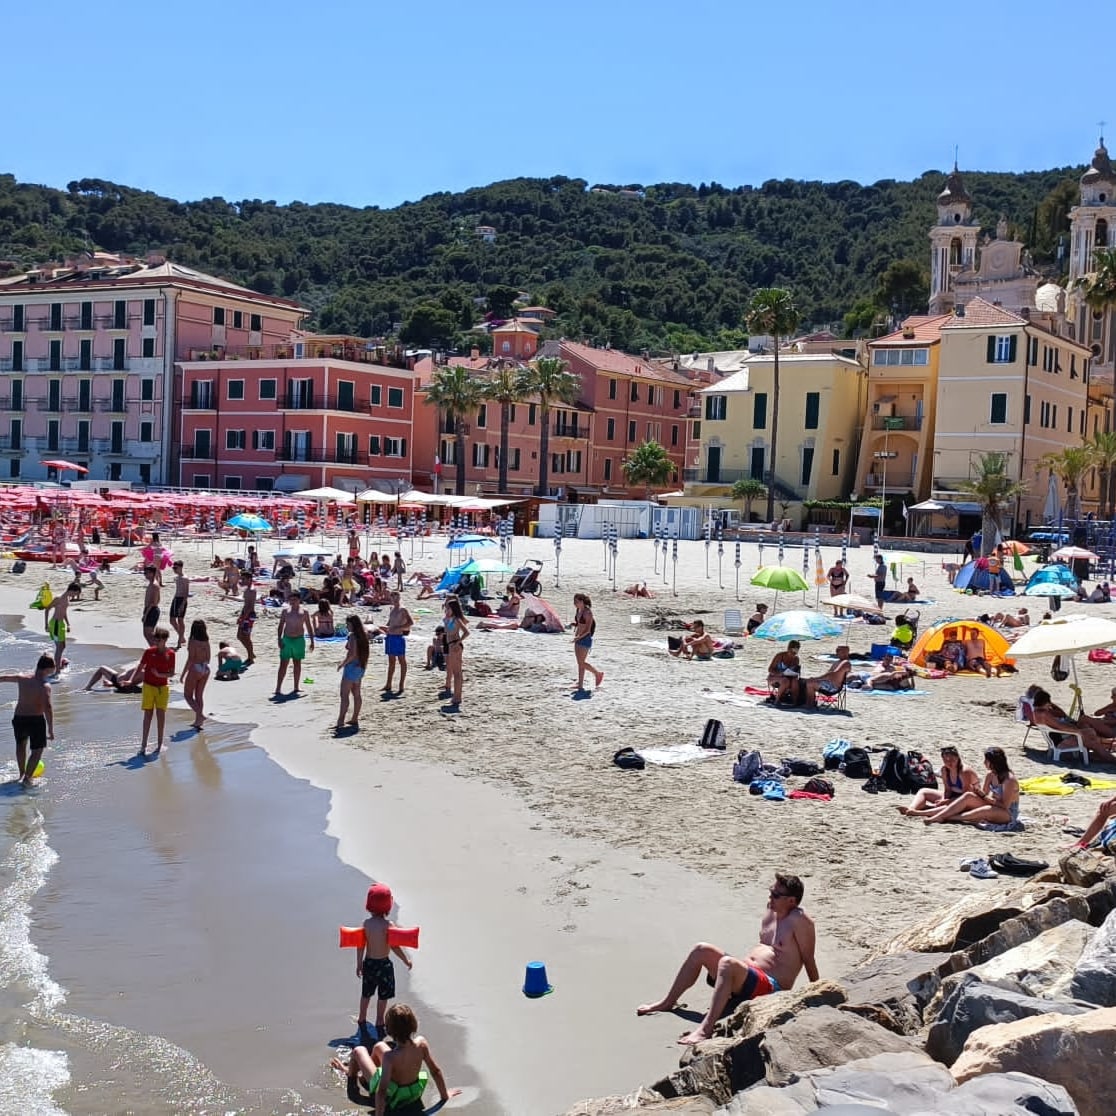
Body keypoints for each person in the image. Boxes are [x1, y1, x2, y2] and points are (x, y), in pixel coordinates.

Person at [636, 873, 819, 1045]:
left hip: (771, 987)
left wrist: (818, 996)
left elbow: (809, 960)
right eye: (770, 891)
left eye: (775, 895)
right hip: (746, 977)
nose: (770, 897)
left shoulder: (800, 921)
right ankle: (667, 1002)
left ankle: (705, 1030)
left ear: (792, 901)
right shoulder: (770, 911)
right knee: (701, 949)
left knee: (727, 963)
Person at [331, 1002, 457, 1114]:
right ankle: (364, 1077)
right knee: (379, 1046)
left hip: (393, 1097)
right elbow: (435, 1071)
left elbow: (382, 1092)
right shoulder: (421, 1044)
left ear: (389, 1030)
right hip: (412, 1094)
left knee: (359, 1051)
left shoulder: (390, 1057)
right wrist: (444, 1095)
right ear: (414, 1024)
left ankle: (350, 1073)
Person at [353, 883, 414, 1044]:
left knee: (366, 993)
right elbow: (394, 946)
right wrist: (405, 959)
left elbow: (360, 945)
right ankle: (380, 1020)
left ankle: (362, 1017)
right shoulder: (388, 926)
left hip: (369, 964)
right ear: (388, 906)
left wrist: (359, 963)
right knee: (383, 995)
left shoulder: (366, 924)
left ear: (369, 905)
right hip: (384, 965)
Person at [921, 746, 1020, 827]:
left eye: (986, 760)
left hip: (1007, 813)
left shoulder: (1009, 780)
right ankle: (941, 816)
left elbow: (1004, 805)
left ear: (994, 763)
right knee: (968, 796)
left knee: (986, 810)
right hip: (993, 805)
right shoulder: (991, 775)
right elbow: (984, 794)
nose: (984, 763)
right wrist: (977, 792)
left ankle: (950, 817)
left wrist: (984, 796)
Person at [2, 655, 55, 787]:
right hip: (35, 720)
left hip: (19, 718)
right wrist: (50, 729)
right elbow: (47, 707)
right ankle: (27, 778)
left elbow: (4, 678)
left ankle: (21, 774)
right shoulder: (45, 686)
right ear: (47, 669)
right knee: (37, 751)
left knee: (20, 746)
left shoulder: (22, 678)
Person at [1028, 686, 1116, 761]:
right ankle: (1112, 760)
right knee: (1093, 742)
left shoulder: (1036, 713)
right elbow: (1061, 728)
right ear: (1045, 702)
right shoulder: (1045, 714)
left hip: (1058, 739)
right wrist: (1078, 731)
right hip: (1062, 742)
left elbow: (1060, 722)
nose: (1049, 705)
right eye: (1048, 703)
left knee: (1090, 734)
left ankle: (1103, 752)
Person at [898, 745, 981, 816]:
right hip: (954, 796)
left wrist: (947, 802)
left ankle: (919, 812)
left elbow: (965, 795)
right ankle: (911, 809)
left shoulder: (964, 772)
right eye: (946, 760)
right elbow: (948, 790)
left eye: (952, 760)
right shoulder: (945, 770)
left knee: (949, 807)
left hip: (969, 799)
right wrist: (944, 799)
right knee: (923, 791)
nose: (949, 763)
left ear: (958, 758)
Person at [138, 628, 175, 755]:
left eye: (159, 640)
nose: (156, 642)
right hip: (148, 686)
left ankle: (160, 744)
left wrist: (159, 675)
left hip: (162, 688)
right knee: (147, 715)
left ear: (164, 640)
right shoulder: (149, 652)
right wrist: (130, 680)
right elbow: (140, 667)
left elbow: (171, 673)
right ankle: (143, 745)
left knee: (161, 716)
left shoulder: (170, 653)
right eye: (155, 639)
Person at [274, 593, 315, 697]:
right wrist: (279, 639)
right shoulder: (285, 612)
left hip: (299, 639)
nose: (293, 602)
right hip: (287, 639)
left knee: (297, 663)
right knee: (283, 663)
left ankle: (296, 686)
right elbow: (281, 626)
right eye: (291, 600)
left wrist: (312, 641)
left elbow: (309, 627)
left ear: (299, 600)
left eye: (295, 599)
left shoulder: (304, 612)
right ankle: (278, 688)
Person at [337, 615, 370, 730]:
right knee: (356, 693)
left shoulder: (353, 636)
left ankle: (340, 720)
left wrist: (342, 664)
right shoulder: (363, 635)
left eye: (348, 624)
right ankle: (355, 718)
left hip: (352, 667)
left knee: (344, 694)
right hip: (360, 666)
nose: (346, 626)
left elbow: (352, 654)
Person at [180, 619, 212, 731]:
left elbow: (191, 659)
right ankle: (198, 721)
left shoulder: (192, 641)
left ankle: (200, 715)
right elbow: (208, 658)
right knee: (199, 696)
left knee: (188, 695)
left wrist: (183, 674)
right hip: (206, 669)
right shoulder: (206, 641)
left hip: (196, 668)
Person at [380, 591, 414, 695]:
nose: (394, 599)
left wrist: (399, 627)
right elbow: (390, 623)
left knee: (401, 660)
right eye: (393, 597)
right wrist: (385, 628)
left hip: (398, 637)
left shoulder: (403, 609)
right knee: (391, 662)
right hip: (390, 636)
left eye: (396, 597)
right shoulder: (392, 609)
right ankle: (388, 684)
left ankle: (401, 684)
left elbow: (410, 622)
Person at [441, 596, 469, 709]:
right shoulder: (448, 619)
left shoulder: (457, 620)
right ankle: (457, 696)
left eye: (448, 609)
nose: (446, 611)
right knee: (454, 671)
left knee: (457, 672)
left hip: (455, 645)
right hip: (451, 644)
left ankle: (457, 696)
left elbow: (466, 632)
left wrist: (458, 642)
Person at [571, 592, 603, 691]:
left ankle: (597, 673)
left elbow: (588, 630)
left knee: (581, 663)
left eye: (576, 602)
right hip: (578, 638)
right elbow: (580, 623)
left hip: (584, 639)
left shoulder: (588, 612)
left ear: (582, 602)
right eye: (574, 601)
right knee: (580, 663)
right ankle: (580, 685)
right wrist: (574, 625)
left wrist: (579, 637)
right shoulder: (578, 611)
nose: (575, 604)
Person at [42, 582, 77, 671]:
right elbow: (47, 609)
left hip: (61, 624)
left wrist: (68, 624)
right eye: (76, 593)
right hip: (55, 624)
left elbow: (63, 612)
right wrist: (46, 624)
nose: (76, 596)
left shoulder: (67, 599)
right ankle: (57, 670)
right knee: (59, 647)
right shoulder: (59, 598)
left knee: (63, 646)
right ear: (72, 591)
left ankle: (57, 664)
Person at [237, 571, 257, 665]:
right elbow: (245, 605)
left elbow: (249, 607)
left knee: (245, 637)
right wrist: (241, 616)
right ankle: (251, 654)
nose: (242, 581)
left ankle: (250, 656)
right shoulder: (247, 589)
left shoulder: (252, 590)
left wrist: (243, 618)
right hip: (245, 614)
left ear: (249, 579)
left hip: (249, 615)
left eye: (243, 579)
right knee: (240, 636)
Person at [169, 560, 190, 649]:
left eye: (175, 568)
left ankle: (179, 641)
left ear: (180, 567)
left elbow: (186, 592)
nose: (174, 569)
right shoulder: (177, 578)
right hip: (176, 599)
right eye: (173, 568)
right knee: (172, 620)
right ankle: (181, 637)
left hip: (181, 600)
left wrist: (182, 604)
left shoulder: (185, 578)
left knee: (180, 620)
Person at [141, 565, 161, 646]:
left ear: (152, 573)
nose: (145, 575)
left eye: (147, 573)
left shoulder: (154, 585)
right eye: (144, 573)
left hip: (152, 610)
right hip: (148, 609)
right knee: (148, 634)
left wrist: (146, 615)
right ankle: (155, 649)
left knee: (148, 634)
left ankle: (157, 649)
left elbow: (154, 602)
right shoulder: (151, 584)